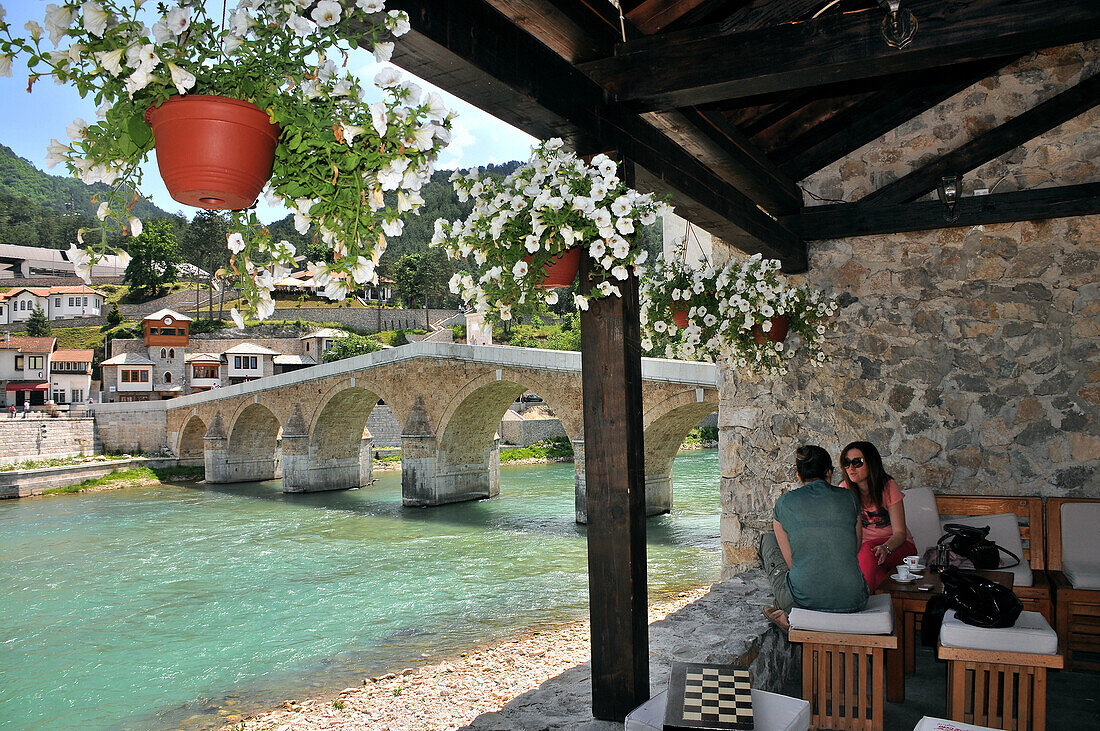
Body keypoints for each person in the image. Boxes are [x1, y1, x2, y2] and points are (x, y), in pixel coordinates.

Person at [760, 445, 869, 632]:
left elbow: (791, 564)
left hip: (805, 602)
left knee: (768, 540)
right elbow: (855, 546)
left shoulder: (785, 503)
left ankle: (785, 611)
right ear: (830, 472)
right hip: (854, 600)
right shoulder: (850, 498)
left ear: (798, 475)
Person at [839, 441, 917, 592]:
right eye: (846, 463)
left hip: (897, 547)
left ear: (871, 463)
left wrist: (886, 548)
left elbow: (900, 534)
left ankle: (855, 600)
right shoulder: (845, 490)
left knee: (869, 550)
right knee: (880, 582)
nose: (851, 468)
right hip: (868, 555)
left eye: (857, 462)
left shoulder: (888, 486)